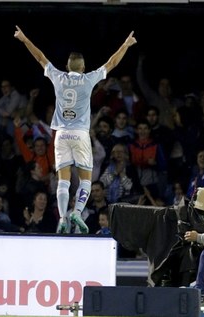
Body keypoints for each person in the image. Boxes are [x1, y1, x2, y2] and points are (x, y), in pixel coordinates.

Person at [14, 25, 137, 234]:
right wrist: (125, 44)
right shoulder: (89, 79)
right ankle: (77, 213)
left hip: (61, 134)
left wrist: (25, 39)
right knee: (85, 180)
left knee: (63, 180)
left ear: (67, 66)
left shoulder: (58, 77)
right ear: (83, 67)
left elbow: (40, 58)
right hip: (80, 134)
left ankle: (62, 217)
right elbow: (112, 62)